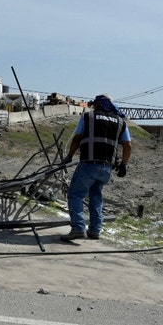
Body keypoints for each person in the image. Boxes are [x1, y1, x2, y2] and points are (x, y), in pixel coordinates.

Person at [60, 94, 132, 241]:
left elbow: (77, 137)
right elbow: (127, 145)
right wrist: (124, 164)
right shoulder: (120, 121)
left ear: (98, 104)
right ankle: (94, 230)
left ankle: (78, 228)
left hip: (89, 164)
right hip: (106, 168)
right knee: (96, 196)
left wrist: (69, 156)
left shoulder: (89, 117)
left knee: (75, 195)